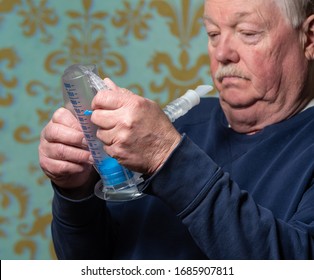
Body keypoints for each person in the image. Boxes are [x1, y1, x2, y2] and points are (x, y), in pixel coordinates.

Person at [39, 0, 314, 259]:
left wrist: (168, 158)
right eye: (213, 33)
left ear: (309, 38)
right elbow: (88, 263)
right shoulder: (179, 125)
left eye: (248, 32)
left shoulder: (164, 141)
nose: (222, 53)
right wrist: (76, 191)